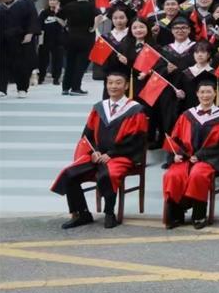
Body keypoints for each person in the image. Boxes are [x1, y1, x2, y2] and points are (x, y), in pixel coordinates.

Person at [51, 70, 148, 229]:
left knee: (108, 174)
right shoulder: (99, 108)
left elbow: (137, 140)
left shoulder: (136, 110)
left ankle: (109, 213)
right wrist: (93, 151)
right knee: (70, 174)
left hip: (121, 156)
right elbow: (87, 135)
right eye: (110, 83)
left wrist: (111, 154)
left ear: (126, 86)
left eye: (118, 83)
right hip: (97, 155)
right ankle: (82, 213)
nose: (113, 86)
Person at [162, 78, 219, 229]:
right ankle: (176, 215)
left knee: (198, 174)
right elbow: (174, 139)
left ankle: (199, 215)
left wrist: (200, 156)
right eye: (202, 92)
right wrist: (176, 155)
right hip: (185, 158)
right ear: (197, 94)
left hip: (208, 159)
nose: (205, 95)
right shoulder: (187, 115)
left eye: (209, 92)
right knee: (173, 175)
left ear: (215, 93)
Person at [0, 0, 40, 97]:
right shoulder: (1, 6)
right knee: (2, 64)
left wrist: (30, 33)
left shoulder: (25, 2)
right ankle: (1, 88)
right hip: (3, 40)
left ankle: (22, 89)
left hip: (20, 39)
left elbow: (33, 18)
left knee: (22, 64)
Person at [59, 0, 100, 97]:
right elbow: (99, 16)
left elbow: (58, 16)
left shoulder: (70, 5)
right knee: (81, 64)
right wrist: (94, 27)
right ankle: (76, 88)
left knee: (70, 63)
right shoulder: (91, 6)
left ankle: (65, 87)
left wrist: (65, 26)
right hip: (86, 37)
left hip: (71, 37)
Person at [37, 0, 66, 86]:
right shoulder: (44, 12)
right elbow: (39, 25)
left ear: (58, 2)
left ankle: (56, 78)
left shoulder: (62, 12)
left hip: (58, 40)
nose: (52, 2)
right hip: (46, 39)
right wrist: (40, 40)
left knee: (57, 60)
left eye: (54, 0)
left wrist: (57, 14)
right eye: (50, 0)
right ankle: (41, 77)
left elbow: (64, 25)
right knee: (42, 60)